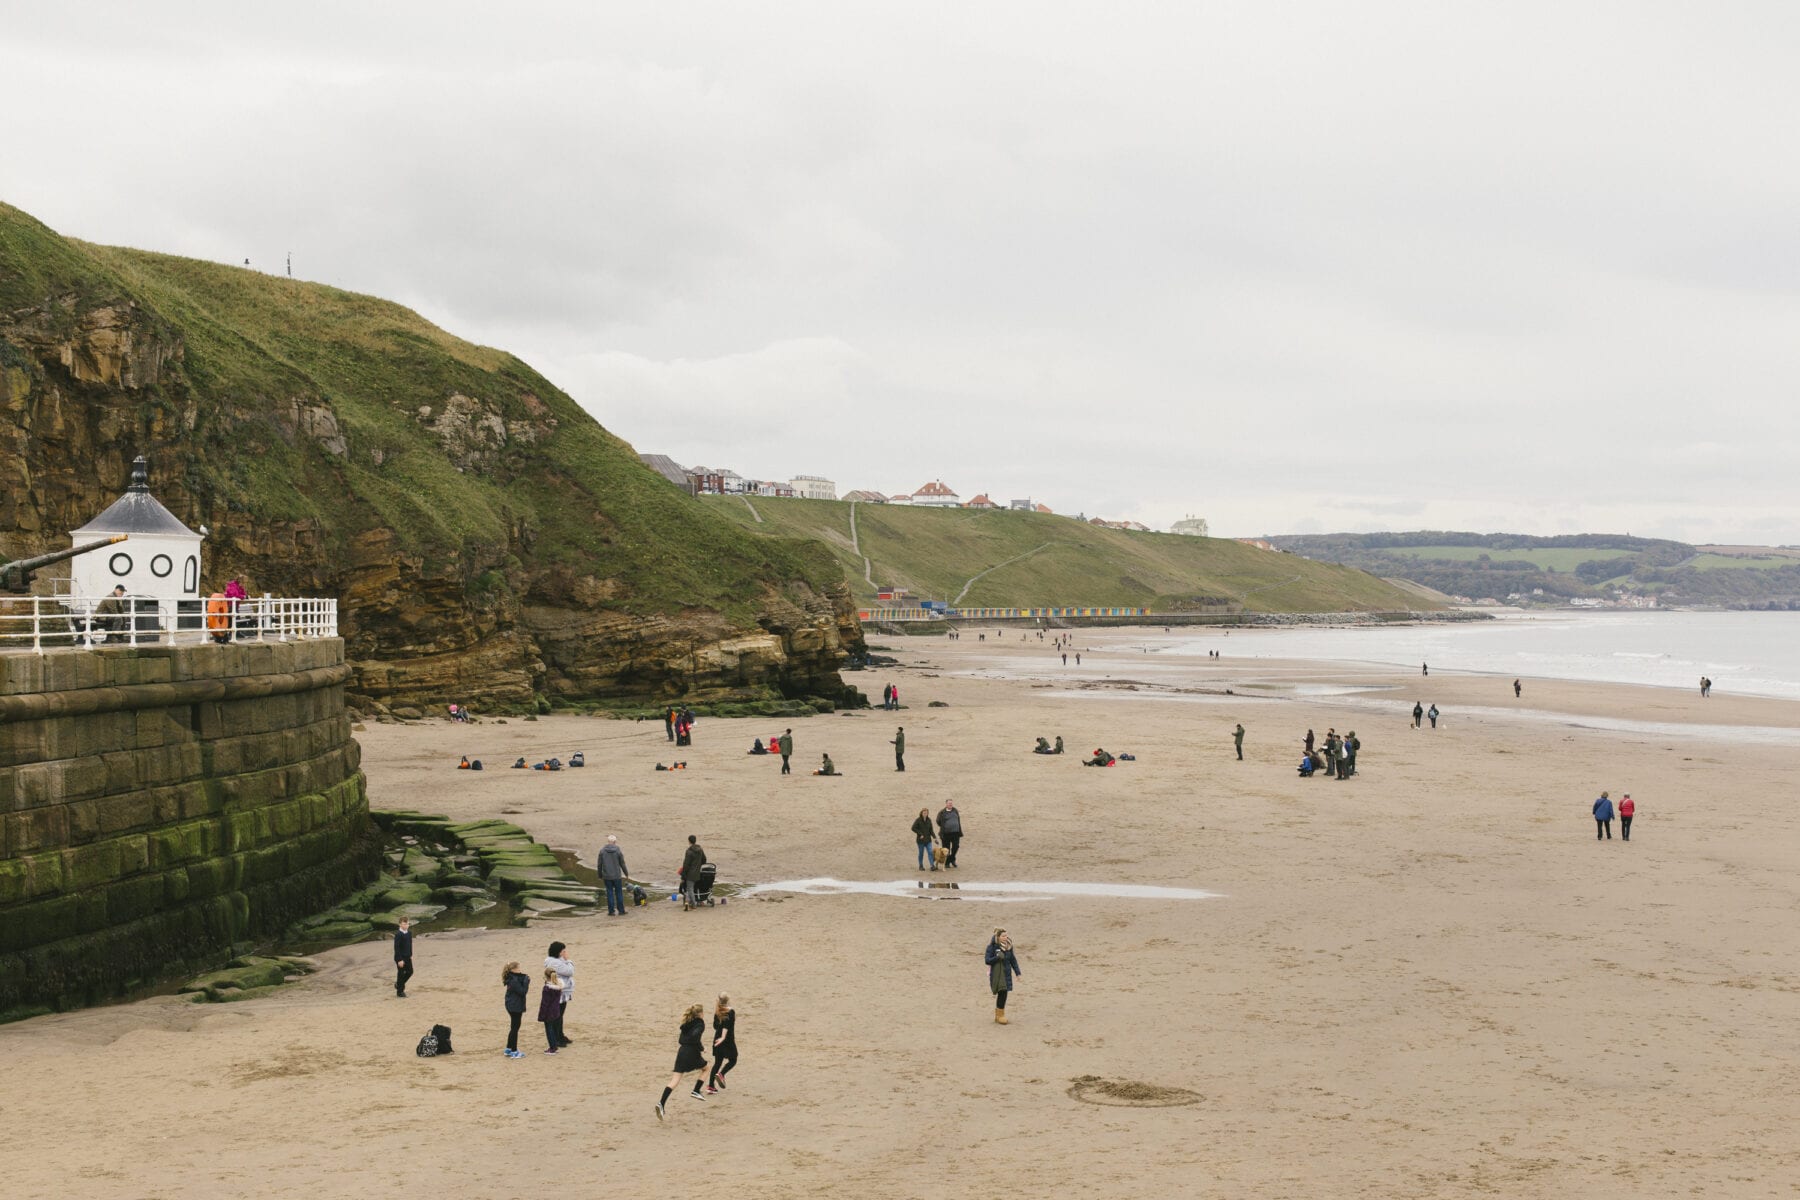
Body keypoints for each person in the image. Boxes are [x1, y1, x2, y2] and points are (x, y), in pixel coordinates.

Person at [655, 1004, 710, 1120]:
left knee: (674, 1080)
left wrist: (697, 1045)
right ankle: (696, 1090)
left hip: (681, 1052)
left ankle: (661, 1104)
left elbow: (681, 1039)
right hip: (691, 1053)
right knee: (706, 1068)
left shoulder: (686, 1023)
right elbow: (695, 1038)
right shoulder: (700, 1023)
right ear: (700, 1014)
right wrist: (701, 1048)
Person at [986, 928, 1022, 1024]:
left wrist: (1017, 973)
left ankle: (999, 1015)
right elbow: (987, 960)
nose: (1006, 937)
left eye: (1006, 935)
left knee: (1004, 993)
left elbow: (1013, 960)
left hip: (1006, 973)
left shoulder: (1009, 947)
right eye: (1003, 936)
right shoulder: (992, 947)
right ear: (998, 937)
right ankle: (999, 1015)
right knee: (1002, 992)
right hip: (997, 974)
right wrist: (998, 957)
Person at [544, 942, 573, 1045]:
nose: (564, 953)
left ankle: (560, 1035)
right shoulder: (554, 963)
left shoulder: (556, 961)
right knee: (557, 1015)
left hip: (561, 991)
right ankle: (557, 1038)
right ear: (558, 952)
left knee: (560, 1015)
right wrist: (568, 960)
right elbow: (569, 971)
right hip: (557, 991)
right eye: (563, 951)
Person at [708, 995, 738, 1093]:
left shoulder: (718, 1011)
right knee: (733, 1059)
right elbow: (726, 1026)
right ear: (728, 1000)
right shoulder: (731, 1011)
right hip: (727, 1040)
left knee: (717, 1063)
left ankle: (711, 1087)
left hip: (717, 1040)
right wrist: (723, 1036)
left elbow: (715, 1026)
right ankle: (722, 1074)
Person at [501, 961, 530, 1058]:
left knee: (514, 1027)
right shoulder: (513, 980)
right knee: (515, 1028)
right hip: (515, 1006)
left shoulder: (511, 977)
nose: (520, 970)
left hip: (512, 1005)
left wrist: (524, 978)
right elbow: (522, 992)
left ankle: (508, 1049)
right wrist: (526, 982)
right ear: (513, 970)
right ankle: (514, 1051)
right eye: (518, 968)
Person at [599, 835, 630, 916]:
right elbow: (622, 863)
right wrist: (626, 873)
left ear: (608, 842)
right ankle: (621, 910)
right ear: (615, 842)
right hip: (616, 876)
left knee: (609, 893)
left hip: (607, 876)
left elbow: (599, 864)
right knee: (619, 893)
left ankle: (611, 911)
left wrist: (599, 875)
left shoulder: (602, 851)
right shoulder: (618, 851)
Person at [536, 966, 565, 1053]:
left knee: (549, 1030)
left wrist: (542, 1015)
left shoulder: (547, 989)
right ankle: (554, 1045)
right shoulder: (558, 986)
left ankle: (552, 1048)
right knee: (553, 1028)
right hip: (556, 1010)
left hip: (548, 1012)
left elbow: (544, 1003)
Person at [680, 835, 707, 910]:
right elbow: (704, 860)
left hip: (690, 874)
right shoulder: (700, 849)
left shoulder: (689, 851)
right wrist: (698, 866)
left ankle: (694, 904)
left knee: (690, 889)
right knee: (692, 888)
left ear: (689, 841)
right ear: (695, 840)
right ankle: (691, 902)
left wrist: (683, 876)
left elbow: (686, 865)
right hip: (697, 873)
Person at [937, 800, 962, 868]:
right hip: (946, 834)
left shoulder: (955, 810)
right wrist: (945, 826)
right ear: (946, 804)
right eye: (949, 803)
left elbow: (958, 819)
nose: (950, 804)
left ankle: (952, 859)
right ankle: (947, 862)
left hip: (956, 833)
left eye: (951, 803)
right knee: (946, 849)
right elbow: (938, 821)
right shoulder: (942, 812)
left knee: (956, 847)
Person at [393, 916, 414, 998]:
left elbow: (410, 944)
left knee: (410, 971)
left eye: (407, 924)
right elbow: (396, 948)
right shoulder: (398, 934)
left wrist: (411, 954)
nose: (406, 926)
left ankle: (399, 984)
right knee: (401, 974)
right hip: (400, 957)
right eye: (404, 924)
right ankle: (400, 992)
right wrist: (399, 960)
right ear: (400, 924)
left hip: (408, 956)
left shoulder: (409, 933)